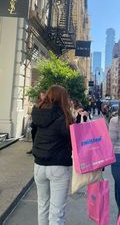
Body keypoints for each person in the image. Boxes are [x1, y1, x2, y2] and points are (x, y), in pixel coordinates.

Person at [31, 85, 73, 225]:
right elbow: (74, 138)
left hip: (39, 166)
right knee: (56, 213)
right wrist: (78, 118)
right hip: (58, 166)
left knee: (42, 206)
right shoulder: (64, 116)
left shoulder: (38, 112)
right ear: (63, 98)